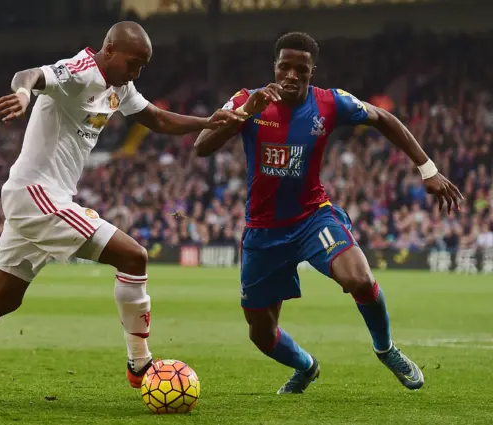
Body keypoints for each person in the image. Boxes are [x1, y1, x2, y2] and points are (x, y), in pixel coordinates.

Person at [0, 21, 244, 402]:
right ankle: (140, 365)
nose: (136, 73)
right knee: (134, 257)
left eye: (142, 66)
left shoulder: (119, 86)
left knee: (2, 300)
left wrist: (209, 121)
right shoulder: (79, 72)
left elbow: (155, 118)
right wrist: (24, 94)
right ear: (109, 50)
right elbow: (28, 74)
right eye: (133, 63)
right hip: (38, 196)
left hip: (40, 199)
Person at [194, 32, 463, 394]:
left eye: (300, 69)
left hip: (312, 217)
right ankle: (306, 366)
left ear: (311, 72)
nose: (291, 75)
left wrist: (427, 169)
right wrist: (244, 114)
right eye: (284, 67)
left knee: (360, 279)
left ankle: (386, 349)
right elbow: (201, 147)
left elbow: (382, 117)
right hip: (263, 230)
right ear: (274, 67)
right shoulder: (248, 100)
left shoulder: (330, 103)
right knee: (261, 332)